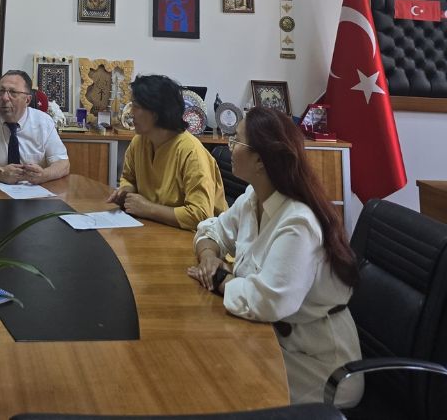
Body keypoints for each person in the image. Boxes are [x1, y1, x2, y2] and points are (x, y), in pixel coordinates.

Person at [187, 107, 363, 406]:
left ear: (260, 159)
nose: (229, 146)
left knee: (215, 377)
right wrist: (208, 255)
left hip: (319, 365)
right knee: (206, 359)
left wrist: (218, 277)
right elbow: (213, 229)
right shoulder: (253, 198)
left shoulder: (298, 221)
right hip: (271, 339)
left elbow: (269, 301)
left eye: (236, 140)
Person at [107, 75, 227, 229]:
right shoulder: (139, 141)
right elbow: (128, 178)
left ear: (156, 113)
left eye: (135, 106)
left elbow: (201, 215)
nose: (130, 112)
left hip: (198, 238)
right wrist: (126, 191)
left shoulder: (191, 153)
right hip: (154, 229)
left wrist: (148, 209)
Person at [0, 70, 69, 184]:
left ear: (27, 100)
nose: (5, 98)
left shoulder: (44, 122)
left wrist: (44, 175)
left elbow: (63, 164)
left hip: (32, 191)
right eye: (1, 91)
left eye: (13, 92)